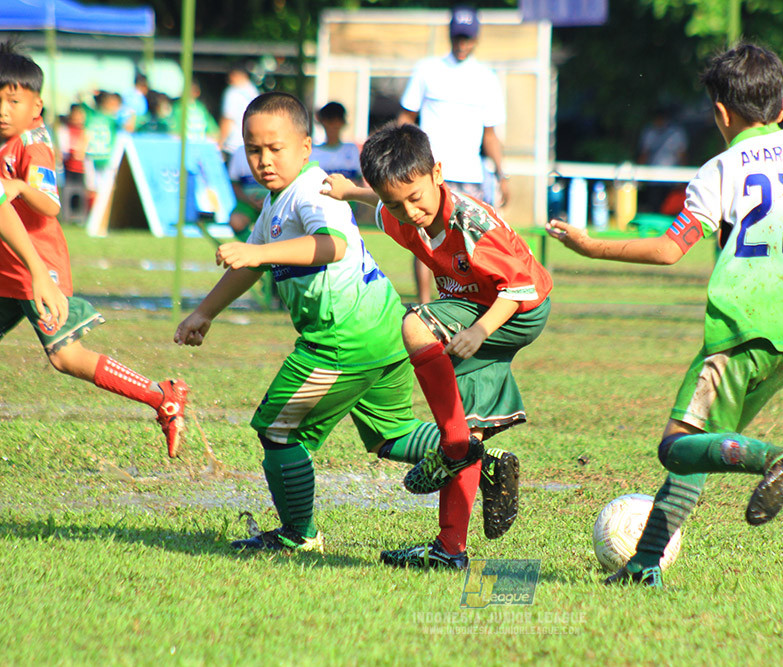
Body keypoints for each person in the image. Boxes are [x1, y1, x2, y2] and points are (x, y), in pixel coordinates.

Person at [546, 42, 783, 588]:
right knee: (705, 446)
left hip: (738, 332)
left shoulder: (718, 169)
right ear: (780, 109)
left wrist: (591, 248)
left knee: (675, 446)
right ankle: (644, 566)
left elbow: (668, 250)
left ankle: (777, 455)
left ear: (721, 114)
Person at [174, 93, 520, 558]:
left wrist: (257, 253)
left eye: (275, 149)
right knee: (390, 435)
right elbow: (248, 268)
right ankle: (479, 458)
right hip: (385, 328)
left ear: (305, 146)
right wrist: (205, 312)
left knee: (278, 432)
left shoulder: (311, 189)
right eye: (253, 150)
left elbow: (331, 245)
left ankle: (300, 534)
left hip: (343, 337)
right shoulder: (276, 204)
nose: (264, 161)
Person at [322, 122, 551, 569]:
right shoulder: (401, 213)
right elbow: (384, 199)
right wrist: (351, 192)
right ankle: (451, 549)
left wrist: (481, 331)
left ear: (438, 174)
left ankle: (452, 446)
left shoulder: (470, 222)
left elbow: (519, 290)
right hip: (479, 309)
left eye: (416, 197)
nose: (409, 211)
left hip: (515, 308)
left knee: (416, 327)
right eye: (396, 202)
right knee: (470, 427)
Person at [0, 42, 189, 457]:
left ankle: (162, 396)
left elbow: (50, 204)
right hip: (6, 270)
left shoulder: (33, 145)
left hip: (38, 271)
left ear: (36, 108)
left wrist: (17, 188)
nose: (3, 110)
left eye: (13, 101)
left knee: (66, 357)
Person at [398, 5, 509, 303]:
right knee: (424, 239)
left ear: (477, 38)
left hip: (469, 175)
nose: (462, 44)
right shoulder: (427, 69)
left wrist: (503, 174)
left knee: (469, 244)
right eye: (458, 37)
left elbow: (491, 134)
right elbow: (405, 118)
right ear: (450, 35)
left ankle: (468, 302)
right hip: (429, 172)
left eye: (468, 38)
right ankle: (425, 307)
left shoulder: (487, 78)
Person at [0, 184, 67, 330]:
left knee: (65, 352)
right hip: (9, 267)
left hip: (33, 259)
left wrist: (40, 272)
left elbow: (2, 211)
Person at [311, 102, 362, 182]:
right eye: (330, 120)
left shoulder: (352, 150)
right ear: (322, 122)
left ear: (342, 122)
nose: (333, 125)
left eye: (337, 120)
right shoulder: (312, 152)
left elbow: (358, 180)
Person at [218, 66, 259, 162]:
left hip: (233, 146)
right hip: (250, 144)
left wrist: (219, 144)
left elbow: (228, 120)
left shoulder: (232, 92)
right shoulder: (254, 92)